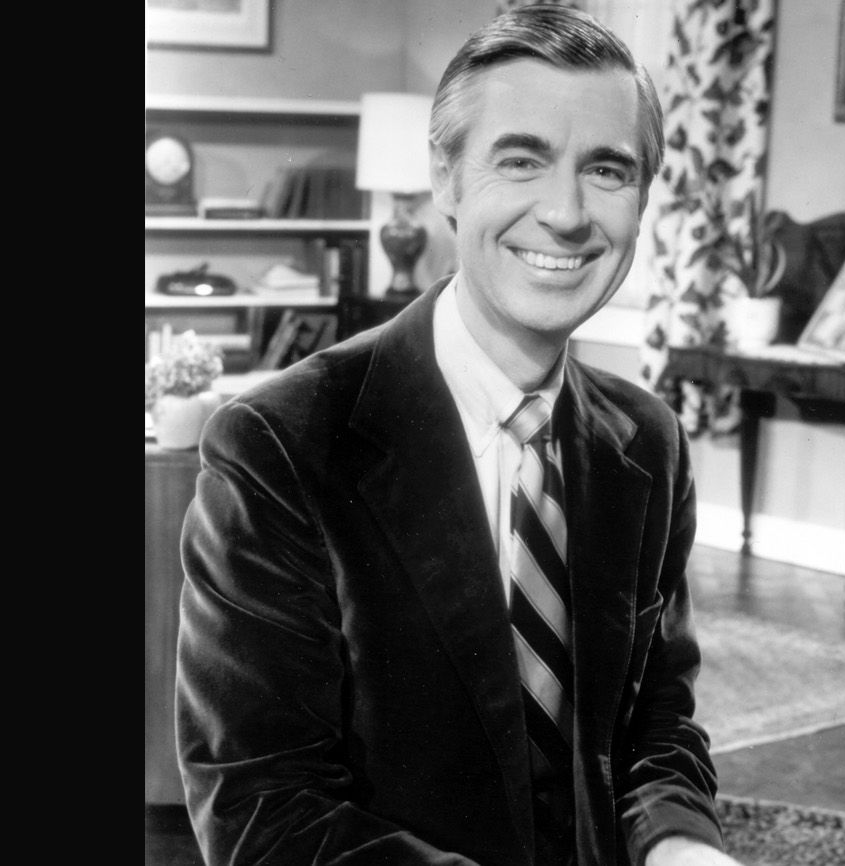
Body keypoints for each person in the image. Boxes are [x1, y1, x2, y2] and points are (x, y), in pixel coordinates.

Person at [174, 7, 744, 865]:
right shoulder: (279, 444)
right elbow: (264, 812)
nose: (566, 212)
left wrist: (681, 846)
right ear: (445, 177)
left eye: (608, 170)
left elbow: (656, 728)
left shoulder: (648, 441)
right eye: (522, 160)